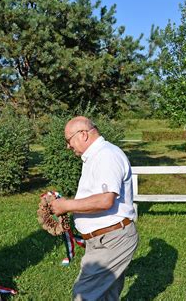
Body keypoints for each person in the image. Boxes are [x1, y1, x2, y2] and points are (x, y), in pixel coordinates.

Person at [50, 116, 139, 301]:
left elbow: (105, 200)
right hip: (104, 239)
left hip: (112, 239)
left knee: (84, 294)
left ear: (83, 135)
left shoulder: (106, 155)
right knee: (105, 297)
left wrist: (66, 205)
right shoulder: (96, 155)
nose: (68, 146)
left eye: (68, 140)